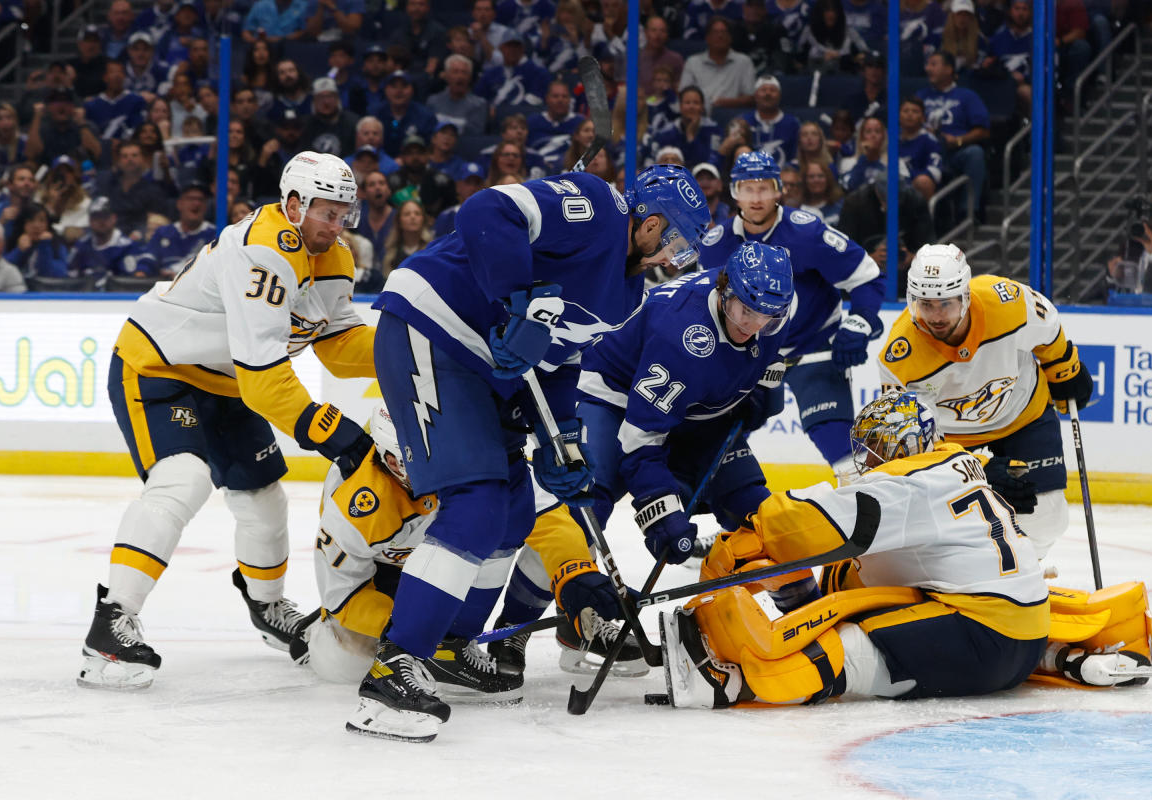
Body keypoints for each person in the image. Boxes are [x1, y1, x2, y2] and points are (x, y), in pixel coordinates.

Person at [351, 164, 710, 742]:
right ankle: (394, 668)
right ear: (648, 220)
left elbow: (561, 363)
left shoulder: (628, 296)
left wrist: (558, 438)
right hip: (432, 326)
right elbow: (486, 211)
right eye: (675, 236)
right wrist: (519, 300)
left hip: (488, 371)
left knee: (514, 514)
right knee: (475, 504)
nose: (676, 252)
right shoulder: (597, 204)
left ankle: (446, 647)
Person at [78, 151, 378, 691]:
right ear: (293, 204)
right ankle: (111, 622)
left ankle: (267, 608)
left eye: (344, 214)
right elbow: (266, 377)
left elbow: (337, 344)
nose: (337, 226)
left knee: (263, 497)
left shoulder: (334, 256)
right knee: (183, 479)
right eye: (326, 213)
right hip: (158, 367)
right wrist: (336, 433)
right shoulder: (262, 249)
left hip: (229, 379)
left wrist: (413, 348)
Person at [659, 390, 1152, 710]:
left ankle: (729, 682)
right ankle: (1063, 658)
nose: (868, 459)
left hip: (981, 640)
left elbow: (804, 524)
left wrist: (741, 537)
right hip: (1022, 639)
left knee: (843, 645)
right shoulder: (955, 464)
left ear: (902, 446)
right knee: (844, 592)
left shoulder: (908, 482)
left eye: (875, 447)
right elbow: (874, 572)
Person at [302, 403, 643, 684]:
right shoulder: (356, 506)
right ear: (393, 462)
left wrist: (575, 574)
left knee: (558, 528)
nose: (446, 469)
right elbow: (345, 593)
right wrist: (408, 625)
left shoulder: (473, 453)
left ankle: (509, 633)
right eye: (427, 460)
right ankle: (315, 634)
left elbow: (548, 517)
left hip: (446, 567)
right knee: (348, 666)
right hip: (384, 580)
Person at [576, 242, 800, 573]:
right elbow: (640, 438)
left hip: (690, 408)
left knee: (754, 509)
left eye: (766, 319)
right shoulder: (681, 336)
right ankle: (574, 603)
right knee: (587, 507)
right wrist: (658, 506)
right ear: (724, 290)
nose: (754, 326)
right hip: (616, 395)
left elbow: (776, 349)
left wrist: (759, 389)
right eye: (745, 312)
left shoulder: (776, 307)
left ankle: (804, 612)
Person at [876, 244, 1094, 561]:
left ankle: (1027, 567)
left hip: (1024, 415)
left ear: (964, 296)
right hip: (952, 439)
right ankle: (980, 569)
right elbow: (914, 442)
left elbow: (1047, 328)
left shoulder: (1007, 302)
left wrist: (1064, 367)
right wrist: (980, 469)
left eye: (945, 305)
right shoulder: (900, 357)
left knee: (1047, 517)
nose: (935, 317)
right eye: (926, 305)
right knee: (951, 518)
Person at [699, 151, 884, 480]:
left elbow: (866, 274)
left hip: (811, 350)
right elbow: (708, 306)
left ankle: (871, 522)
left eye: (765, 187)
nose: (756, 197)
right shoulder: (716, 244)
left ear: (779, 189)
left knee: (844, 457)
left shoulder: (806, 233)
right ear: (734, 191)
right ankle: (733, 526)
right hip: (747, 357)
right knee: (713, 452)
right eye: (747, 188)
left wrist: (860, 321)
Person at [917, 51, 990, 220]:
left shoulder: (966, 96)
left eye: (933, 64)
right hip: (923, 151)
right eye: (927, 64)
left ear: (949, 69)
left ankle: (968, 212)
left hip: (953, 152)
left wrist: (958, 140)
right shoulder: (920, 96)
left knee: (975, 153)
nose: (928, 69)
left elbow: (984, 131)